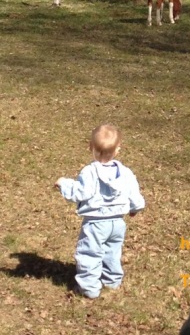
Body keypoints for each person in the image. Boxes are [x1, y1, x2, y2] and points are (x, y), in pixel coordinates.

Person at [54, 123, 145, 299]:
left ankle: (89, 287)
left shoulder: (89, 172)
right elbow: (134, 193)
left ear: (91, 148)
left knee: (90, 253)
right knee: (112, 251)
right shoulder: (125, 173)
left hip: (95, 223)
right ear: (118, 149)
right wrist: (136, 208)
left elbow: (80, 192)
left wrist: (63, 184)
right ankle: (112, 281)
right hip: (118, 223)